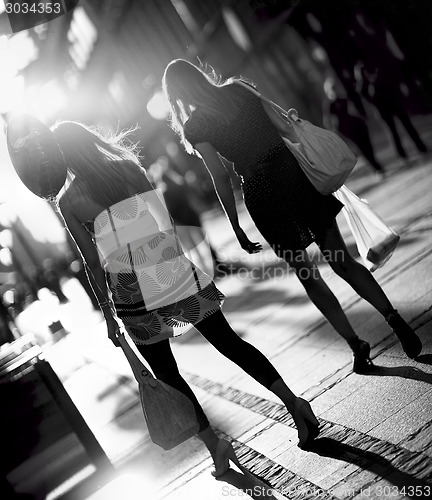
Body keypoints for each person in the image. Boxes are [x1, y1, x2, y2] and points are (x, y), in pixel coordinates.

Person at [51, 120, 320, 477]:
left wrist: (108, 313)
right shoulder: (127, 168)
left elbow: (91, 263)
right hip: (168, 270)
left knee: (167, 374)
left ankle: (216, 448)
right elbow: (164, 223)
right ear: (90, 140)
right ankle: (294, 403)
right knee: (229, 342)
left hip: (129, 288)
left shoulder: (69, 200)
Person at [162, 59, 422, 374]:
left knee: (308, 275)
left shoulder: (196, 125)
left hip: (263, 195)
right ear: (199, 75)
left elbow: (219, 176)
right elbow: (285, 126)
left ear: (175, 95)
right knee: (341, 260)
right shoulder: (238, 89)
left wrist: (235, 226)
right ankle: (392, 316)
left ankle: (357, 346)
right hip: (295, 176)